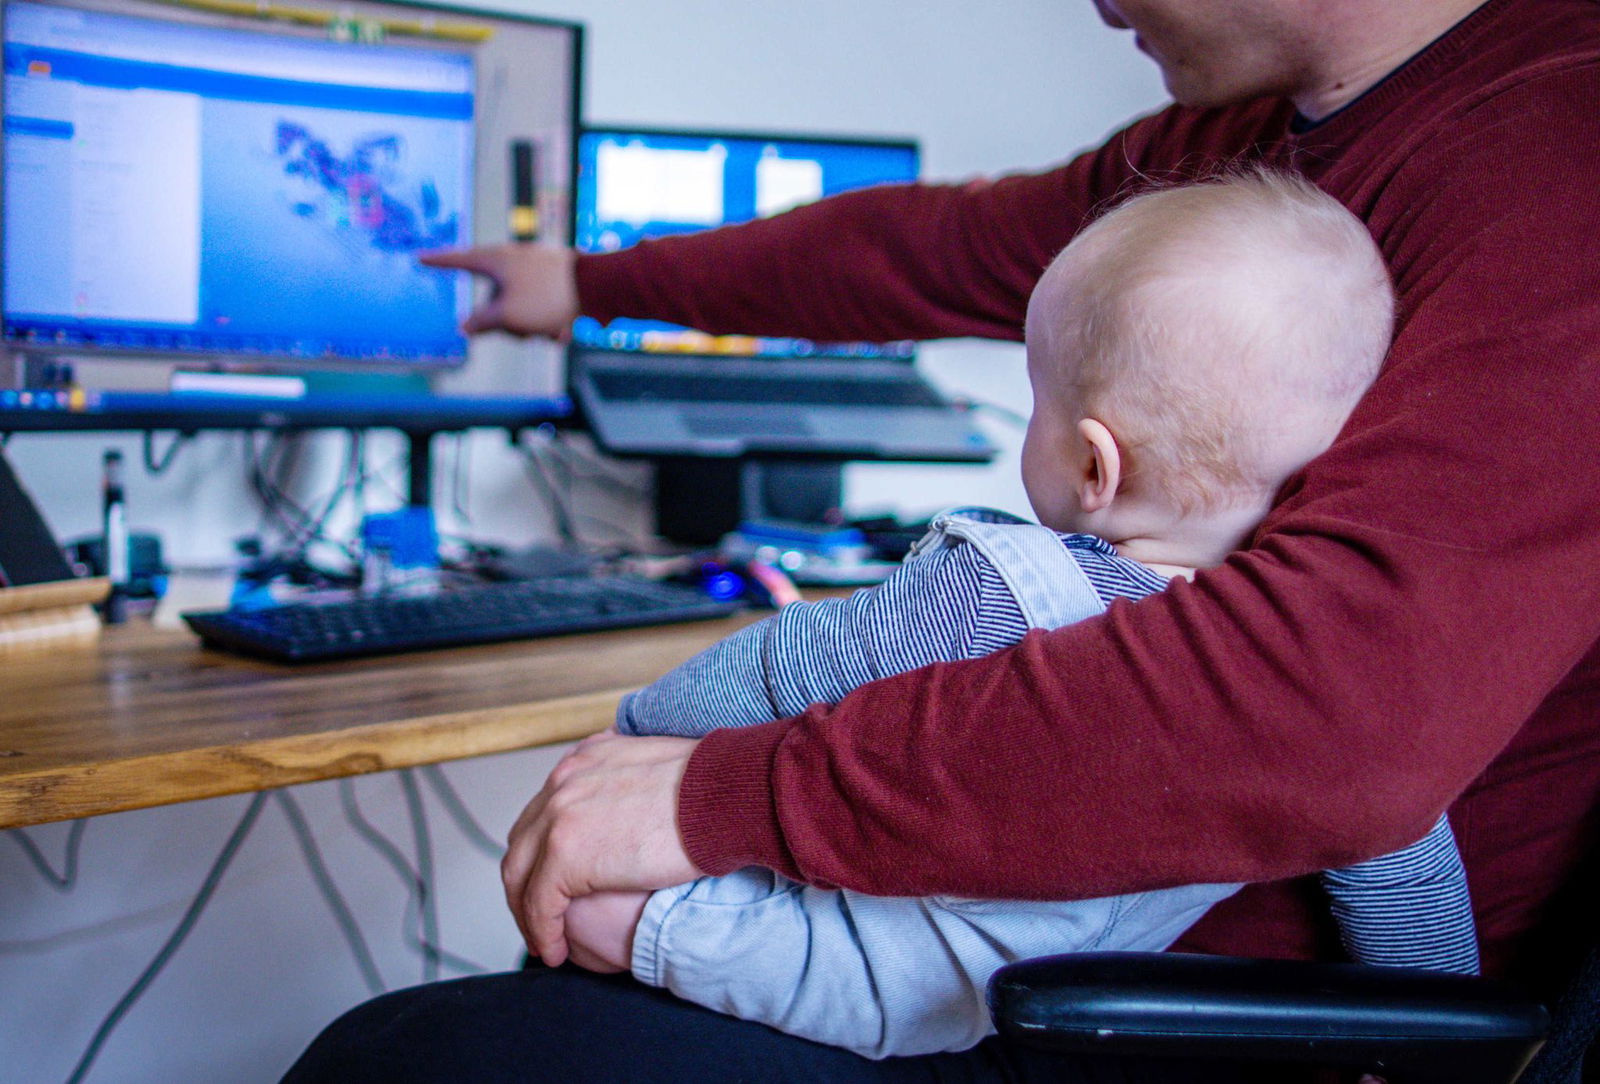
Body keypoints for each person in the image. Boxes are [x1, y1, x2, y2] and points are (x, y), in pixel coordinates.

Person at [289, 1, 1600, 1080]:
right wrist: (589, 286)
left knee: (409, 1059)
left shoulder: (1558, 155)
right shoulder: (1255, 144)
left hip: (1185, 1013)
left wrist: (717, 794)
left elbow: (1336, 722)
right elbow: (931, 250)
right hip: (1065, 951)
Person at [560, 171, 1477, 1060]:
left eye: (1040, 398)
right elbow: (1407, 876)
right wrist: (1413, 1051)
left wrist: (642, 733)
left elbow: (782, 667)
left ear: (1093, 468)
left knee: (590, 907)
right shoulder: (1324, 684)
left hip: (871, 965)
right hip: (1062, 997)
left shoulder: (1005, 589)